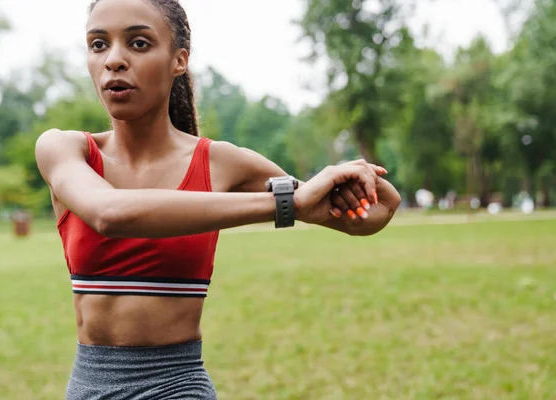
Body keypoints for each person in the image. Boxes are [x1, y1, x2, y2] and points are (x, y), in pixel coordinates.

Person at [34, 0, 402, 398]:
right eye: (98, 44)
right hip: (88, 387)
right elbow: (110, 213)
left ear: (179, 60)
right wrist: (288, 204)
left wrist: (366, 190)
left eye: (139, 43)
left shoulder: (222, 163)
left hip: (178, 386)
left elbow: (361, 213)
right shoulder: (63, 150)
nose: (115, 60)